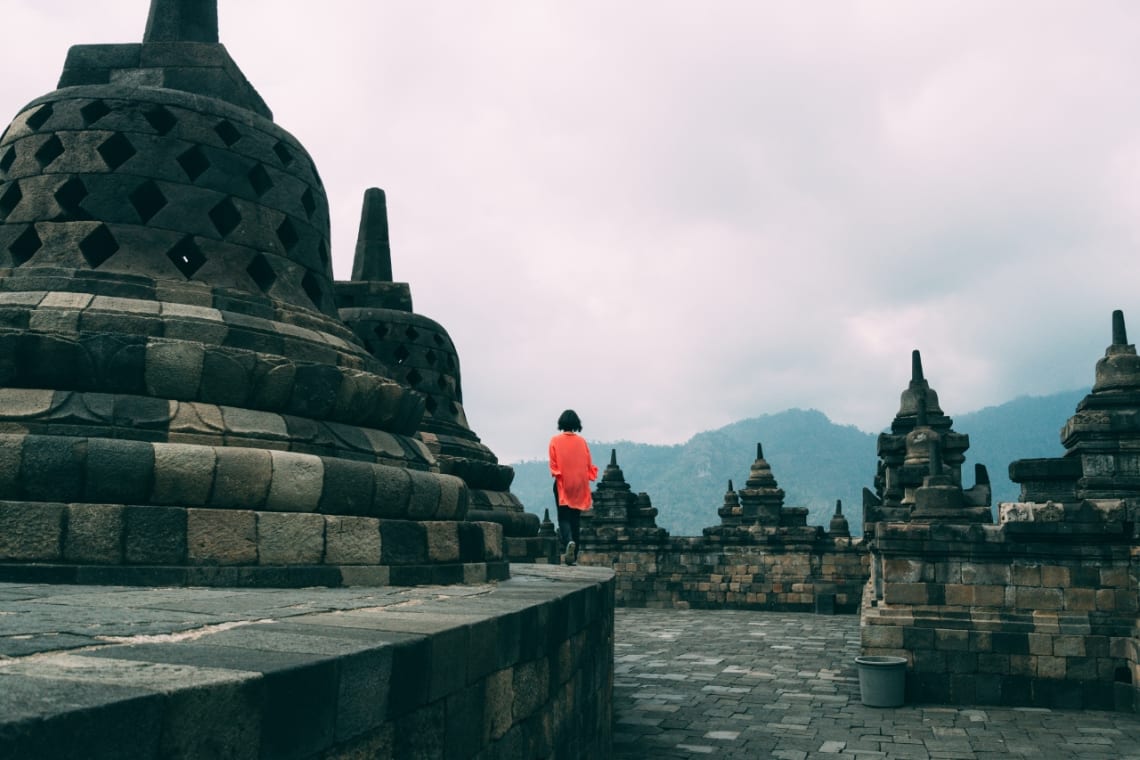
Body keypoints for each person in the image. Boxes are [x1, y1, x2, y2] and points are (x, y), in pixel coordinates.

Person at [548, 409, 597, 566]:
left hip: (564, 483)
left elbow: (554, 465)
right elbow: (589, 465)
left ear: (561, 423)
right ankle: (573, 556)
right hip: (579, 484)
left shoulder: (555, 441)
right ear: (577, 424)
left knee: (563, 517)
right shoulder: (582, 442)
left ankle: (569, 541)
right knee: (575, 518)